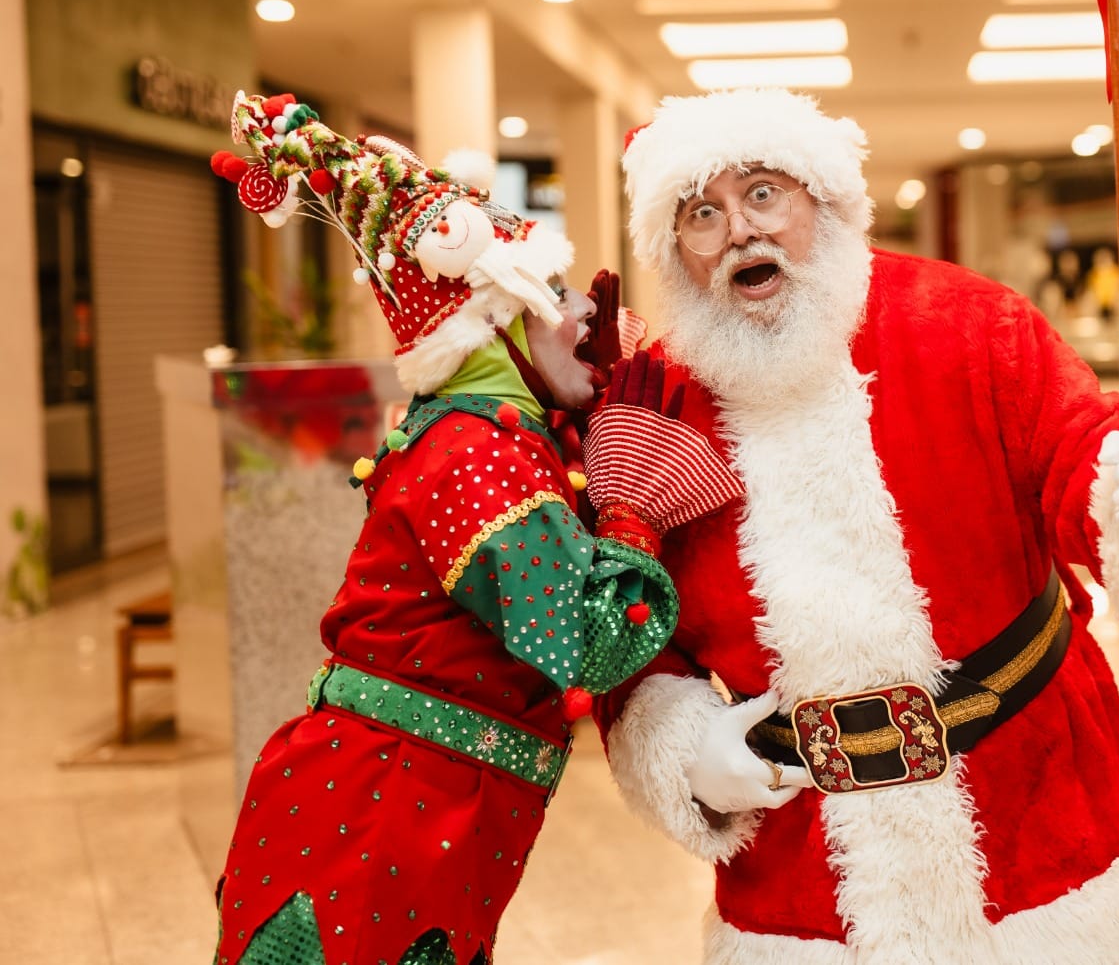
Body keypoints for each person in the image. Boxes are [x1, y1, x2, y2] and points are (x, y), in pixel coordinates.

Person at [592, 88, 1119, 964]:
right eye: (701, 214)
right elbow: (624, 618)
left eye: (762, 194)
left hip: (1036, 823)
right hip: (802, 877)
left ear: (821, 198)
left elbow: (1078, 444)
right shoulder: (655, 404)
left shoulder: (968, 320)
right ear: (675, 249)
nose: (739, 230)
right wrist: (679, 744)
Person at [208, 93, 737, 965]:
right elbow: (587, 638)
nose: (589, 312)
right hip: (378, 819)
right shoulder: (476, 448)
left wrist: (597, 425)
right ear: (493, 322)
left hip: (417, 806)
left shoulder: (500, 433)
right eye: (555, 292)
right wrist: (633, 507)